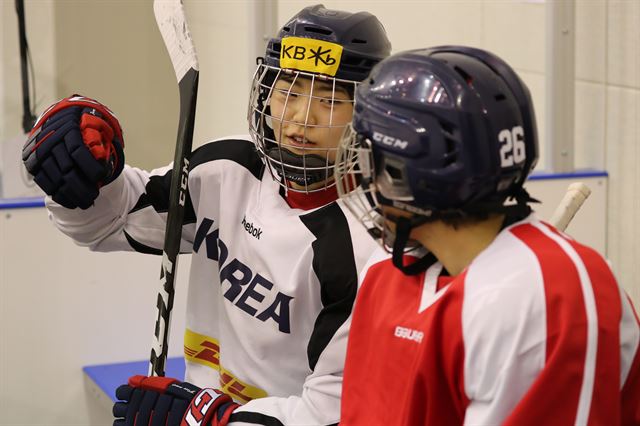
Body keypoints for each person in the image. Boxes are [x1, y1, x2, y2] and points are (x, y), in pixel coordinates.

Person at [21, 5, 391, 425]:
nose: (300, 118)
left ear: (366, 113)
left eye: (328, 99)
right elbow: (110, 220)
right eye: (288, 89)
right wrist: (79, 175)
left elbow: (332, 413)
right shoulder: (225, 169)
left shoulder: (371, 247)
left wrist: (212, 419)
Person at [334, 46, 640, 425]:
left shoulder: (547, 292)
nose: (361, 178)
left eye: (368, 159)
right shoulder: (386, 272)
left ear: (401, 176)